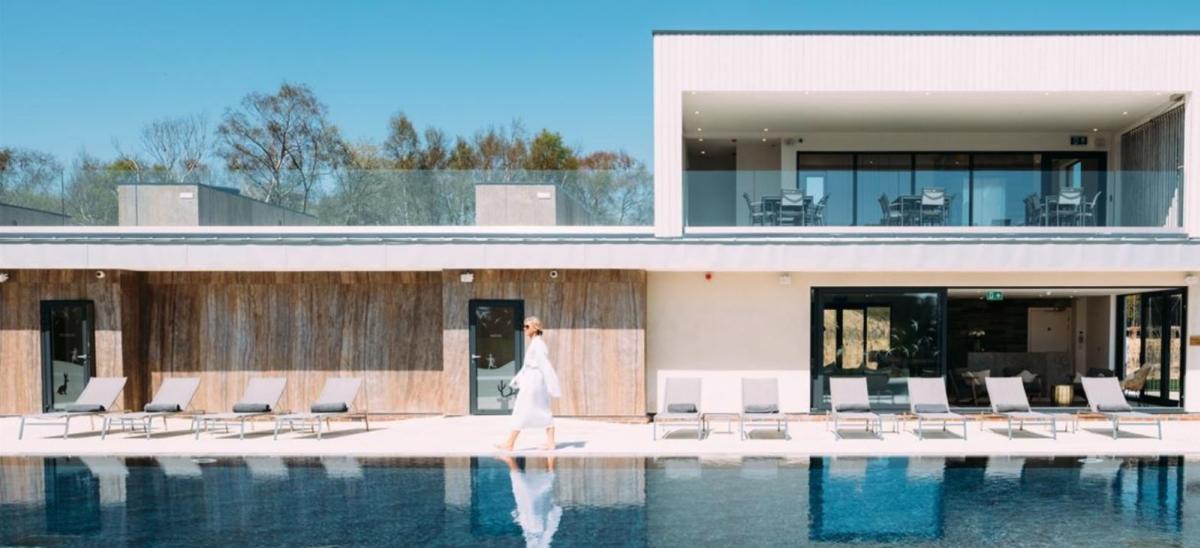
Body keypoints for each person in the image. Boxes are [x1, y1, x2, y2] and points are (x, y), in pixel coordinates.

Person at [496, 316, 561, 451]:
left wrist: (552, 384)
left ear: (536, 328)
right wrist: (519, 378)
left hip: (534, 382)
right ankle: (550, 443)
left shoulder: (538, 344)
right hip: (532, 380)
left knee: (523, 408)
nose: (524, 329)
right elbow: (528, 366)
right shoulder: (535, 343)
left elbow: (544, 365)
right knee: (541, 409)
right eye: (524, 326)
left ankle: (510, 443)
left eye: (527, 326)